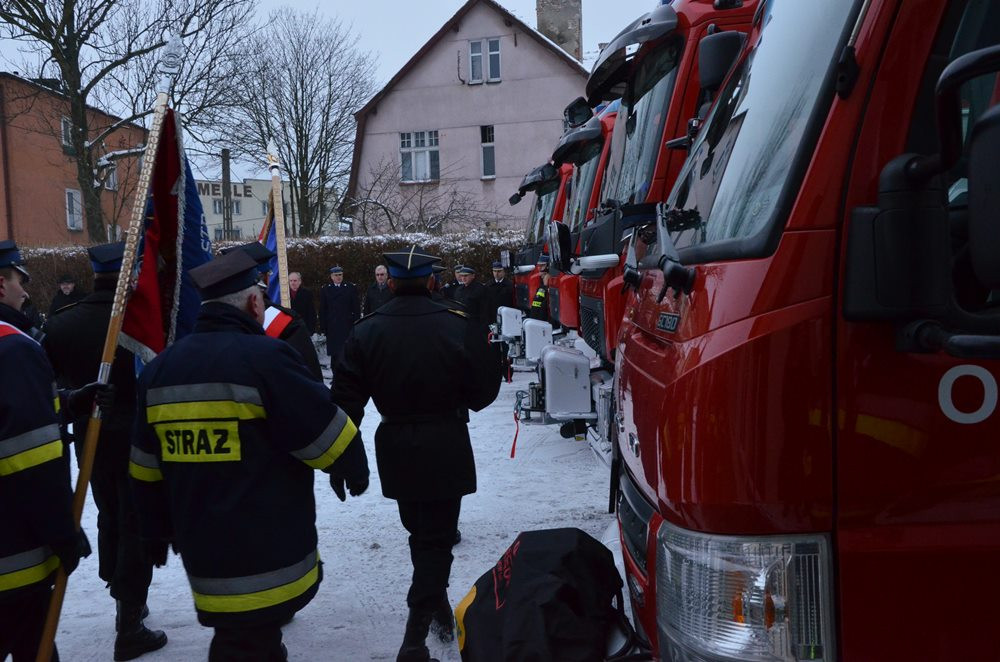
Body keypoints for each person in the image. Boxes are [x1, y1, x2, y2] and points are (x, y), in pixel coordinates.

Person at [128, 249, 369, 661]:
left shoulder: (160, 371)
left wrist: (152, 528)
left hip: (203, 551)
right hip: (268, 549)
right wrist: (352, 465)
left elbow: (144, 466)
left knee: (240, 639)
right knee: (250, 645)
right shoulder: (266, 359)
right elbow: (324, 430)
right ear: (255, 303)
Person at [330, 245, 501, 662]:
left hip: (395, 443)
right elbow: (483, 392)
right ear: (431, 281)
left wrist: (341, 458)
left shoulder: (367, 329)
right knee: (435, 540)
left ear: (390, 282)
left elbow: (346, 402)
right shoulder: (458, 323)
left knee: (422, 535)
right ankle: (413, 639)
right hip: (445, 440)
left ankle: (436, 610)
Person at [43, 242, 167, 661]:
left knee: (111, 515)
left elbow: (47, 386)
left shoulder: (62, 324)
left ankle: (122, 593)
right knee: (135, 523)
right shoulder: (141, 323)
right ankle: (129, 619)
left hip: (91, 440)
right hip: (135, 437)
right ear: (128, 277)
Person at [0, 240, 91, 662]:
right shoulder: (14, 349)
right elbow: (32, 459)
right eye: (19, 280)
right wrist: (62, 534)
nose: (25, 291)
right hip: (13, 550)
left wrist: (67, 402)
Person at [221, 244, 323, 382]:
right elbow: (310, 381)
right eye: (269, 274)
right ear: (264, 280)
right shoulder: (286, 323)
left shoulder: (209, 321)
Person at [319, 265, 360, 371]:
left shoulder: (350, 288)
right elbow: (323, 310)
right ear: (331, 276)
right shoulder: (326, 289)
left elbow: (356, 308)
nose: (338, 277)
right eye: (336, 275)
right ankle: (335, 375)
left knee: (347, 353)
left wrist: (356, 324)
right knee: (335, 355)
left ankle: (347, 375)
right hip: (332, 327)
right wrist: (323, 327)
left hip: (347, 325)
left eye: (340, 275)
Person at [485, 261, 515, 382]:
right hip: (493, 320)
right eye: (494, 271)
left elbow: (513, 303)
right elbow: (486, 305)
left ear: (503, 272)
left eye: (499, 271)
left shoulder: (510, 285)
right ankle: (496, 373)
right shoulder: (488, 285)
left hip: (507, 320)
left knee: (507, 349)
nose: (496, 274)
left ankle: (508, 374)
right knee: (494, 349)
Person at [453, 265, 491, 330]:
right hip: (461, 323)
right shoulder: (458, 290)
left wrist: (483, 326)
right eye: (462, 276)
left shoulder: (480, 289)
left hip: (476, 324)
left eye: (466, 276)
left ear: (473, 276)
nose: (463, 278)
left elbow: (485, 309)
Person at [529, 256, 551, 322]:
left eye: (542, 265)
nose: (539, 268)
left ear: (548, 266)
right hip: (537, 319)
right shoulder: (540, 285)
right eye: (539, 266)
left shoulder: (550, 285)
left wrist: (546, 285)